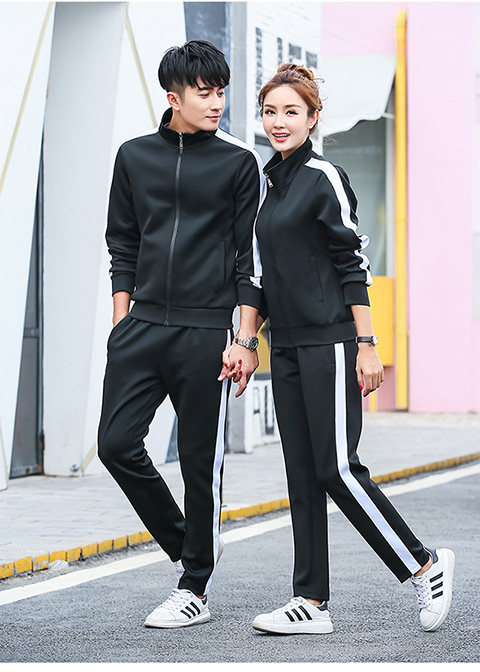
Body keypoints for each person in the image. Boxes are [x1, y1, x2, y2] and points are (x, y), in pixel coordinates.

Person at [223, 63, 455, 635]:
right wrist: (247, 342)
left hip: (330, 340)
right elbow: (255, 275)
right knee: (302, 474)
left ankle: (424, 566)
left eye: (291, 111)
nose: (279, 122)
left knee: (337, 469)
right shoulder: (267, 186)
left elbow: (353, 263)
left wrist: (366, 344)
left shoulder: (323, 176)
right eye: (270, 112)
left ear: (313, 117)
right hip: (287, 346)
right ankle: (310, 600)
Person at [97, 40, 264, 629]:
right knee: (116, 446)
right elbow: (123, 241)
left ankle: (194, 586)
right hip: (141, 328)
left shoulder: (238, 163)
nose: (217, 103)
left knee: (199, 462)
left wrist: (244, 338)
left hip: (204, 331)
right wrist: (122, 320)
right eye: (205, 93)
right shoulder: (134, 156)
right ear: (174, 97)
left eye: (221, 93)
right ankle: (189, 544)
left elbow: (249, 259)